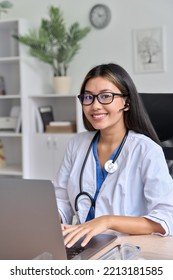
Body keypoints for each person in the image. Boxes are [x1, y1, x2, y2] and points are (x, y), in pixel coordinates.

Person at [54, 63, 173, 248]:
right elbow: (62, 200)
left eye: (105, 96)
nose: (95, 105)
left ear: (126, 102)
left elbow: (167, 217)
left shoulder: (146, 150)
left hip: (128, 250)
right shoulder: (76, 144)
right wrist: (51, 219)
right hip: (82, 245)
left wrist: (107, 221)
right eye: (88, 97)